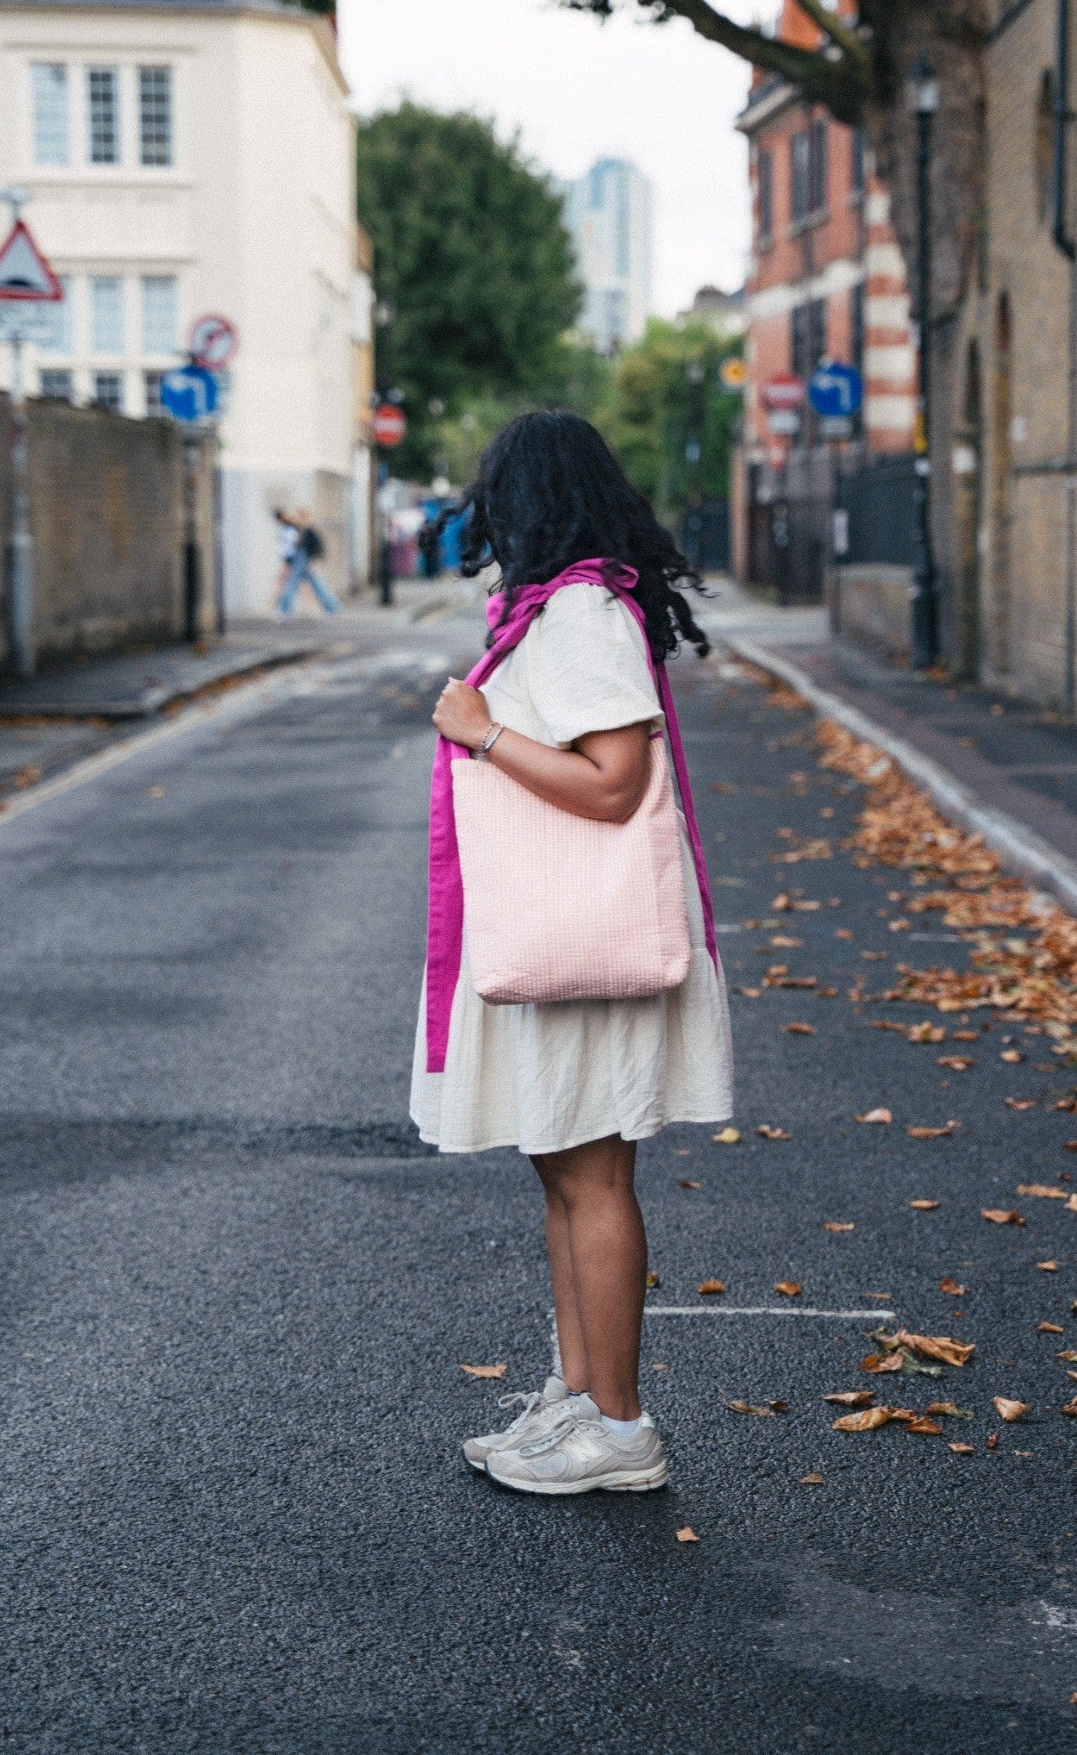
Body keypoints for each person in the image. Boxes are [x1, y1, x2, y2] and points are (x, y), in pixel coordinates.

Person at [415, 410, 733, 1496]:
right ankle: (578, 1390)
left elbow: (615, 781)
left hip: (586, 932)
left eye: (491, 493)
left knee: (592, 1172)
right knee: (562, 1168)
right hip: (558, 923)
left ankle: (622, 1424)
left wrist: (483, 732)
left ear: (525, 499)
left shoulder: (586, 611)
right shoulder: (555, 606)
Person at [273, 507, 341, 616]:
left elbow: (315, 546)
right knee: (316, 584)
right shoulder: (300, 528)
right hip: (301, 558)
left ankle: (284, 610)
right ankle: (332, 607)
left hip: (303, 558)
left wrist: (312, 560)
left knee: (292, 582)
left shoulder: (307, 529)